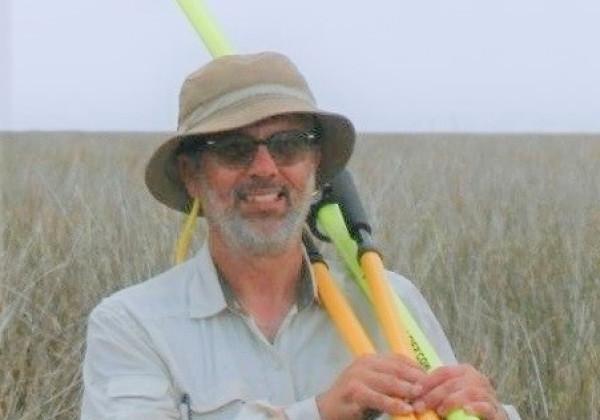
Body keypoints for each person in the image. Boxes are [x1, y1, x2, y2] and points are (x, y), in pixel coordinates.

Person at [81, 52, 520, 420]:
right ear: (191, 175)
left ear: (314, 168)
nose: (265, 169)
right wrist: (320, 411)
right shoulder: (131, 324)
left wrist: (488, 411)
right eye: (234, 149)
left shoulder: (390, 303)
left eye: (288, 145)